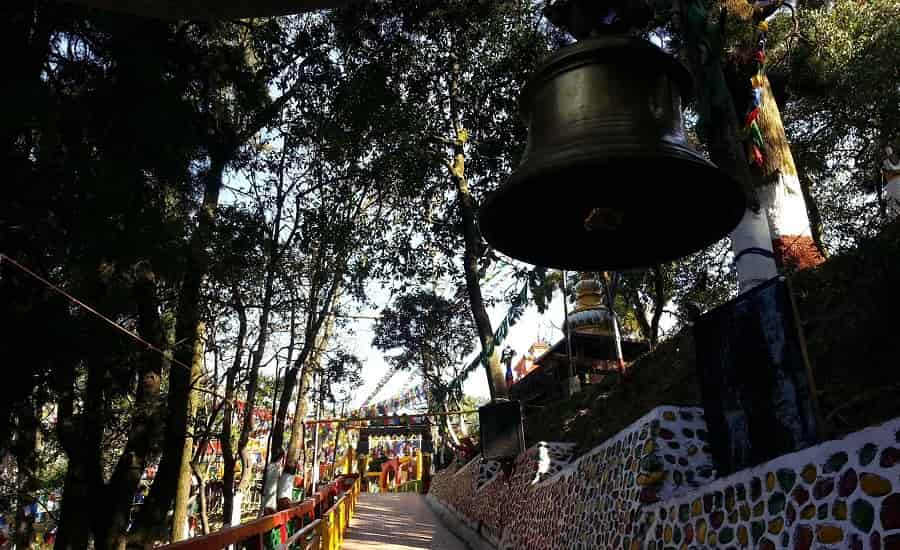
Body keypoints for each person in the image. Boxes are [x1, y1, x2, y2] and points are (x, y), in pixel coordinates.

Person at [262, 448, 284, 515]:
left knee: (265, 505)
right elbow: (280, 478)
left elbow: (265, 477)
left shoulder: (270, 465)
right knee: (270, 507)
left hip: (267, 488)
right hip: (272, 490)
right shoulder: (278, 467)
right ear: (281, 457)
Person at [883, 145, 900, 217]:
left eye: (889, 149)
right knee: (892, 201)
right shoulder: (885, 162)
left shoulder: (899, 160)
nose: (888, 151)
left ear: (892, 150)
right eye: (887, 150)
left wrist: (893, 172)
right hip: (891, 183)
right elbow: (886, 174)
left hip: (898, 181)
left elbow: (891, 172)